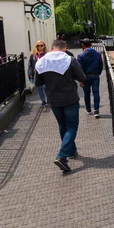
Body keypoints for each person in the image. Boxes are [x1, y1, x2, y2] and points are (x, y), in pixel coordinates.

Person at [35, 39, 86, 173]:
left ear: (51, 48)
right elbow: (82, 77)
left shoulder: (41, 61)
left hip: (53, 100)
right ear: (64, 48)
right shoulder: (70, 60)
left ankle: (71, 151)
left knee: (63, 126)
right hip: (69, 98)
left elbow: (37, 83)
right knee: (72, 127)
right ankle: (62, 156)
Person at [77, 39, 103, 118]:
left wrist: (80, 80)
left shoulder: (80, 56)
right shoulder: (97, 54)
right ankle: (96, 110)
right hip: (95, 75)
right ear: (91, 44)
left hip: (85, 77)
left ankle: (88, 109)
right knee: (96, 93)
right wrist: (98, 73)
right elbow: (101, 65)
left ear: (83, 45)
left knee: (87, 93)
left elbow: (79, 68)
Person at [28, 40, 48, 106]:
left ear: (44, 46)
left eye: (41, 45)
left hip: (45, 73)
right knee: (39, 88)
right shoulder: (33, 55)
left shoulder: (47, 54)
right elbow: (30, 65)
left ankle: (48, 100)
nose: (40, 47)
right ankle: (43, 101)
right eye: (38, 45)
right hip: (36, 73)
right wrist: (30, 74)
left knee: (45, 87)